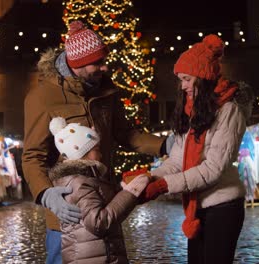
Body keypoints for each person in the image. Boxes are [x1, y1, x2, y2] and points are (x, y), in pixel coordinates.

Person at [22, 20, 170, 264]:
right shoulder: (42, 97)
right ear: (77, 64)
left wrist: (164, 145)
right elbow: (32, 156)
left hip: (103, 204)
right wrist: (46, 194)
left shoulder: (106, 90)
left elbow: (126, 134)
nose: (104, 67)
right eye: (97, 63)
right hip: (67, 214)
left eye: (104, 61)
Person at [141, 34, 254, 263]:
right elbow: (176, 161)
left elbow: (212, 169)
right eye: (181, 80)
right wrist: (149, 178)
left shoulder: (229, 111)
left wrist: (164, 186)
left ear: (202, 77)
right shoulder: (192, 111)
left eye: (187, 79)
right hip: (198, 206)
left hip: (223, 207)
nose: (182, 86)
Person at [48, 117, 149, 263]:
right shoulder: (79, 183)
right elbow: (98, 222)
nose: (101, 155)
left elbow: (101, 201)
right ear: (81, 153)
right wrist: (130, 192)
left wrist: (121, 189)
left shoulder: (85, 179)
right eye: (96, 149)